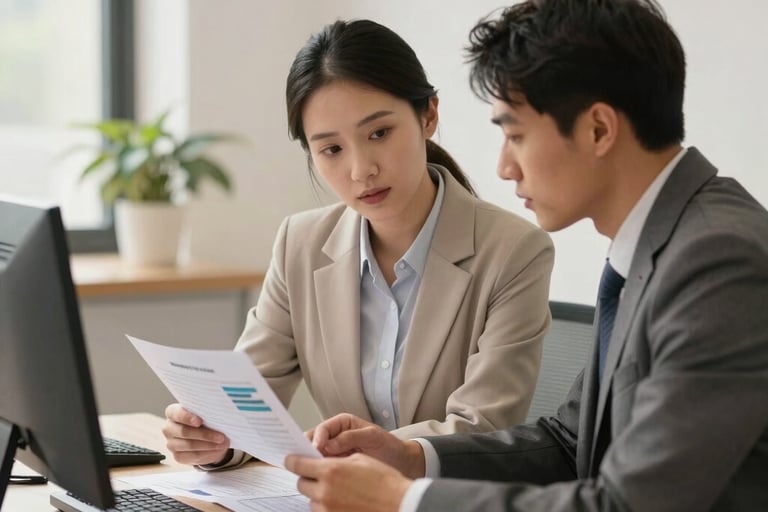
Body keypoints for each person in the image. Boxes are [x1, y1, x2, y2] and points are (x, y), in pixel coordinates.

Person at [283, 1, 768, 510]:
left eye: (515, 134)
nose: (504, 167)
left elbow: (628, 506)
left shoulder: (717, 263)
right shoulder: (660, 245)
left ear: (599, 129)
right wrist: (411, 457)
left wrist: (406, 501)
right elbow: (567, 443)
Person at [161, 19, 554, 468]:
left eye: (379, 133)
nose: (360, 170)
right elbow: (246, 403)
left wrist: (371, 456)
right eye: (331, 149)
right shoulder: (301, 245)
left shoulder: (515, 251)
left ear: (428, 115)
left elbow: (482, 427)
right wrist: (213, 437)